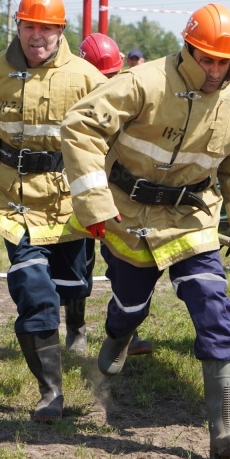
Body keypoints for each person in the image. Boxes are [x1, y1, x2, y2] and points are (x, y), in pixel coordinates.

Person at [60, 3, 230, 459]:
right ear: (188, 49)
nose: (215, 71)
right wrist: (94, 203)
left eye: (224, 61)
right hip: (128, 215)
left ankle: (225, 428)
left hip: (192, 218)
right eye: (207, 59)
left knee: (213, 303)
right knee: (130, 304)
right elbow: (80, 126)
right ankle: (119, 334)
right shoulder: (143, 81)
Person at [0, 0, 106, 422]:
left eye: (47, 28)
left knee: (74, 284)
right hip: (12, 201)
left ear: (60, 31)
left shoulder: (88, 77)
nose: (37, 36)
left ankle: (76, 322)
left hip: (68, 201)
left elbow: (113, 137)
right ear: (17, 25)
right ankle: (50, 392)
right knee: (34, 293)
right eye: (30, 26)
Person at [77, 33, 153, 356]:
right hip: (77, 192)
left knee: (121, 261)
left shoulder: (126, 97)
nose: (106, 84)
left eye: (111, 77)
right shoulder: (73, 96)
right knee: (79, 264)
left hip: (116, 196)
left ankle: (126, 334)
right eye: (101, 77)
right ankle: (75, 329)